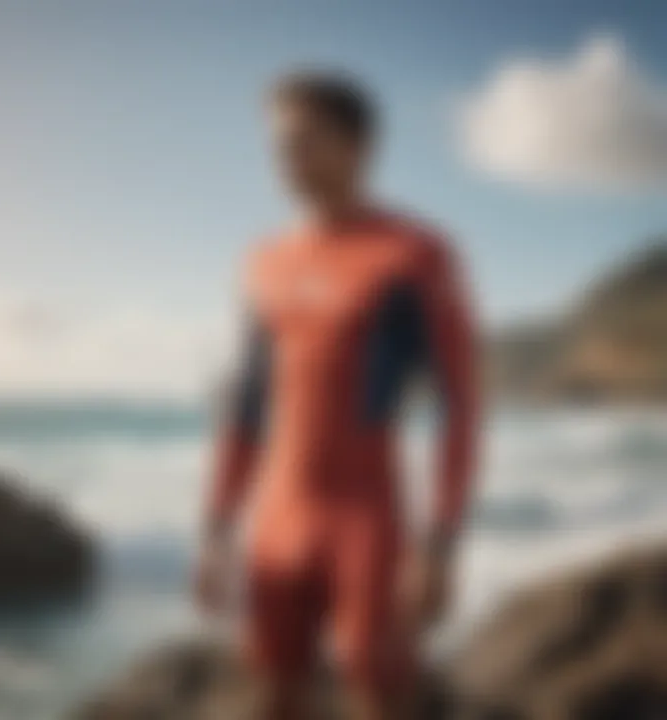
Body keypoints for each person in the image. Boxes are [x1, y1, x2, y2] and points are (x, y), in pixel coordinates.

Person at [194, 71, 479, 719]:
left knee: (380, 700)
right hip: (277, 524)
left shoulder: (414, 253)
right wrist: (216, 531)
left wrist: (440, 544)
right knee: (273, 700)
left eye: (301, 141)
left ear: (358, 146)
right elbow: (246, 402)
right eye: (277, 145)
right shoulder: (263, 260)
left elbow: (457, 406)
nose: (283, 159)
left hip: (368, 526)